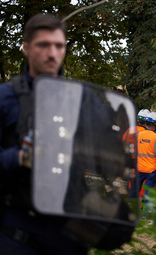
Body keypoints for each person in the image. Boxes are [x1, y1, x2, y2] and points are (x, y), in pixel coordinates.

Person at [0, 14, 88, 254]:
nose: (52, 53)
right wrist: (22, 157)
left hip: (69, 230)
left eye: (59, 46)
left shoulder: (80, 102)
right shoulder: (5, 98)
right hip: (17, 229)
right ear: (26, 48)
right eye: (43, 45)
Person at [131, 112, 156, 200]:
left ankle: (130, 210)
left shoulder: (138, 135)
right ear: (155, 124)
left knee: (134, 192)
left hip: (139, 168)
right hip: (151, 170)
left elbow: (134, 151)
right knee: (148, 194)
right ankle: (146, 213)